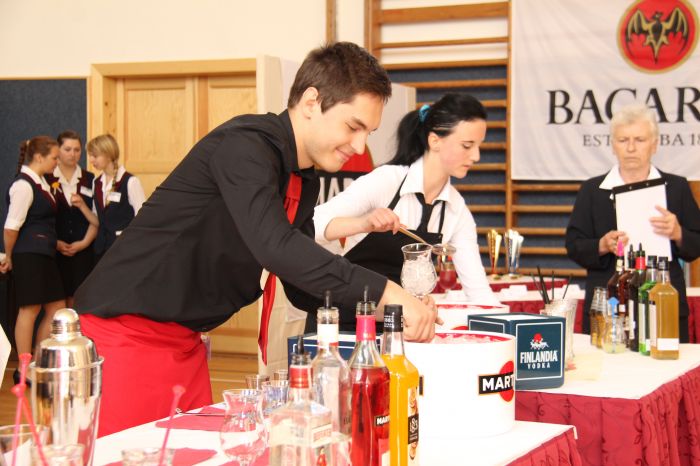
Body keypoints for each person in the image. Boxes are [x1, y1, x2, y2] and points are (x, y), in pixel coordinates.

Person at [73, 42, 438, 437]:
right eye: (353, 127)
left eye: (368, 132)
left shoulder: (302, 178)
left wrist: (388, 312)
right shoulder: (245, 146)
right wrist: (386, 291)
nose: (360, 146)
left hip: (184, 342)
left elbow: (300, 284)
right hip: (128, 333)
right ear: (311, 102)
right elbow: (276, 247)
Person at [311, 93, 499, 331]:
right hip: (341, 324)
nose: (476, 156)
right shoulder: (387, 181)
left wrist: (512, 329)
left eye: (479, 146)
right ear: (434, 141)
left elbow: (479, 294)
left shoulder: (456, 209)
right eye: (467, 146)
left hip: (397, 328)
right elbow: (313, 225)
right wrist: (363, 223)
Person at [566, 103, 700, 340]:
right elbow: (574, 245)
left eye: (639, 140)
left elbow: (697, 244)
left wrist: (678, 233)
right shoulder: (592, 190)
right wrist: (602, 245)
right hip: (608, 304)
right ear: (612, 145)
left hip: (664, 303)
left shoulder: (676, 187)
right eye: (623, 140)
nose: (630, 148)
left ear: (654, 144)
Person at [1, 136, 67, 383]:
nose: (57, 162)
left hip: (44, 255)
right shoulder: (23, 185)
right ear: (39, 157)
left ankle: (37, 361)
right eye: (54, 157)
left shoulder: (40, 182)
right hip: (28, 255)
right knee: (29, 309)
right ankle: (23, 368)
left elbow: (38, 222)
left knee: (57, 308)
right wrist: (9, 256)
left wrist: (54, 242)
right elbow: (11, 227)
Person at [45, 131, 99, 307]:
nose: (72, 154)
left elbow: (96, 217)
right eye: (67, 149)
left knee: (79, 299)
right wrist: (56, 242)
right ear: (58, 150)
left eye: (77, 150)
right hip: (55, 249)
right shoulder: (47, 178)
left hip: (83, 250)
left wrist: (84, 243)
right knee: (56, 303)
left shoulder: (90, 179)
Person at [86, 134, 145, 262]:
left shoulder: (130, 181)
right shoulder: (96, 183)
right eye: (90, 155)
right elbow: (98, 218)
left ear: (108, 154)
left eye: (95, 156)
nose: (91, 160)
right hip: (101, 249)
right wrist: (81, 206)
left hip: (123, 249)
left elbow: (142, 218)